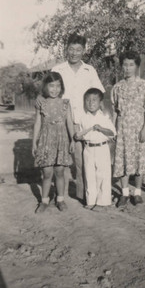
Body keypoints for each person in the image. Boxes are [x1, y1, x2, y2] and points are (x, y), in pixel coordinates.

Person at [51, 33, 105, 202]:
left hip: (84, 122)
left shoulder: (89, 70)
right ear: (66, 49)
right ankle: (62, 196)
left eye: (78, 50)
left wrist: (101, 120)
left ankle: (84, 194)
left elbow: (98, 95)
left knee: (83, 161)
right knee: (62, 160)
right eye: (71, 49)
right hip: (61, 120)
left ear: (83, 51)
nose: (74, 53)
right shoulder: (57, 70)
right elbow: (51, 95)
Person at [111, 50, 145, 208]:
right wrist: (113, 129)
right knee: (123, 160)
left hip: (139, 128)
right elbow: (114, 109)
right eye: (125, 65)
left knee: (140, 159)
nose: (127, 68)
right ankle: (125, 193)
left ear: (137, 66)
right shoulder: (117, 87)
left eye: (131, 65)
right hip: (122, 129)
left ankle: (138, 193)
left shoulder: (144, 85)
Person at [32, 72, 75, 213]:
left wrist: (72, 140)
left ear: (61, 87)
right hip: (46, 140)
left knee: (60, 171)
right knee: (47, 172)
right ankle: (44, 201)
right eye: (51, 85)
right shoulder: (41, 103)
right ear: (46, 86)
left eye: (58, 86)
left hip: (61, 140)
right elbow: (37, 123)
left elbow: (69, 123)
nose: (55, 89)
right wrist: (34, 142)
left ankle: (60, 200)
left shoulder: (65, 103)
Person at [74, 88, 116, 210]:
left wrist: (101, 128)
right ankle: (91, 200)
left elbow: (112, 133)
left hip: (102, 148)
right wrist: (78, 136)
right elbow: (79, 135)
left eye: (94, 100)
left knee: (103, 175)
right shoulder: (83, 118)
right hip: (88, 148)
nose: (91, 103)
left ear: (100, 102)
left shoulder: (104, 117)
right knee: (89, 175)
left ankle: (103, 202)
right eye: (88, 100)